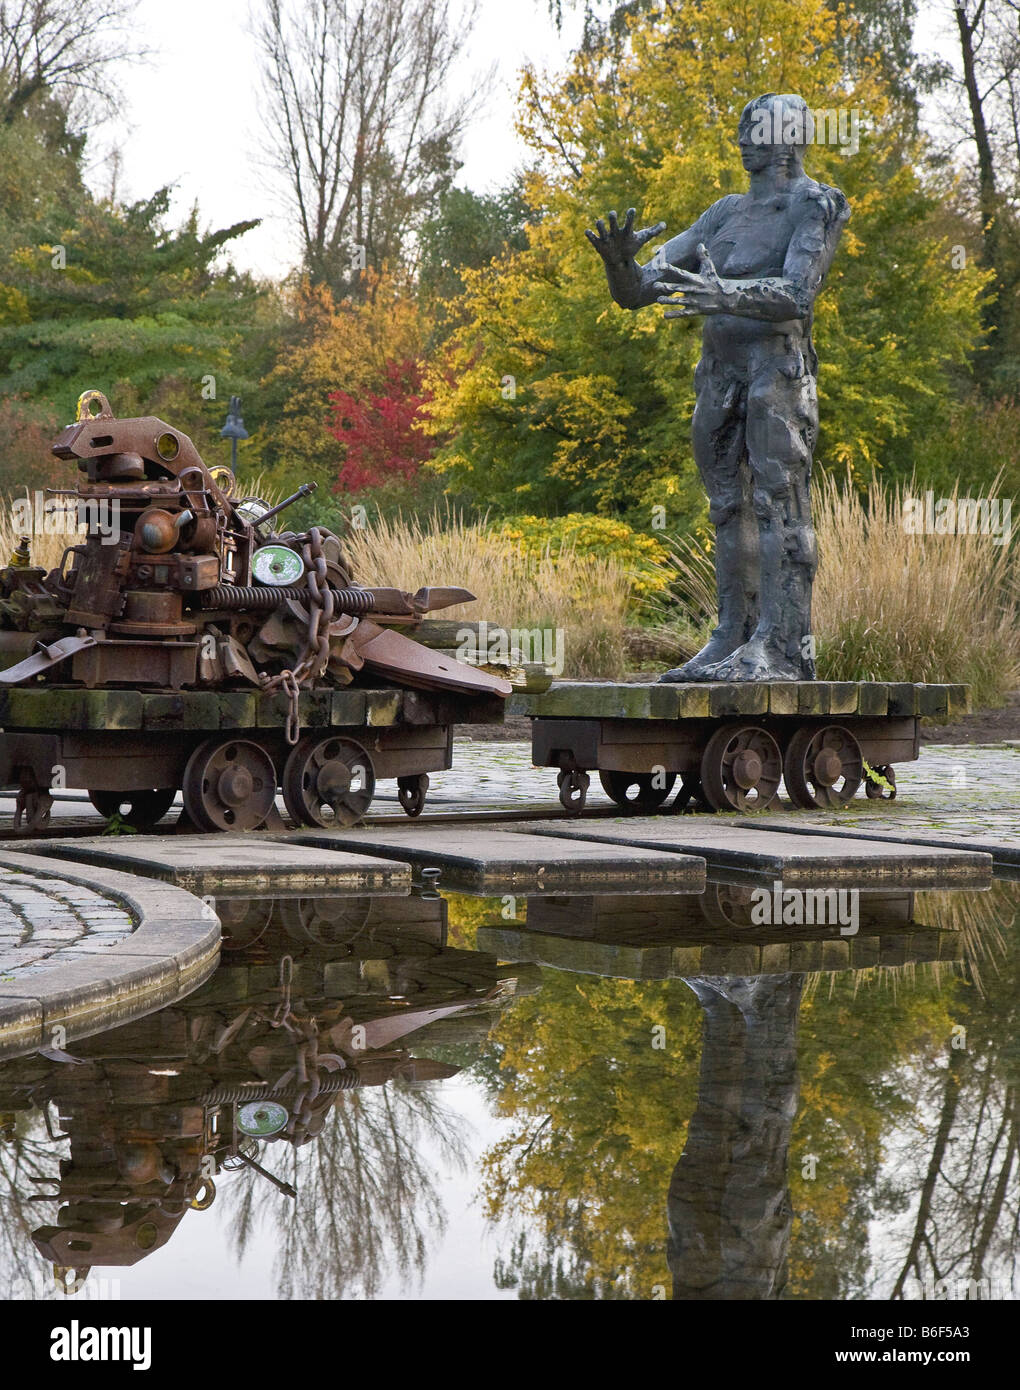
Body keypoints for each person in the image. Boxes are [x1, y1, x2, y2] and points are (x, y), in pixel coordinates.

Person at [586, 93, 850, 681]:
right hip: (719, 377)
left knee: (777, 502)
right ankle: (731, 635)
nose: (743, 137)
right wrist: (619, 264)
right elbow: (641, 289)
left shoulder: (816, 205)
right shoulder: (725, 212)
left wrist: (726, 296)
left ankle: (780, 647)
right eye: (741, 126)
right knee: (728, 507)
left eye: (756, 127)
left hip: (776, 377)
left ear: (789, 136)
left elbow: (798, 294)